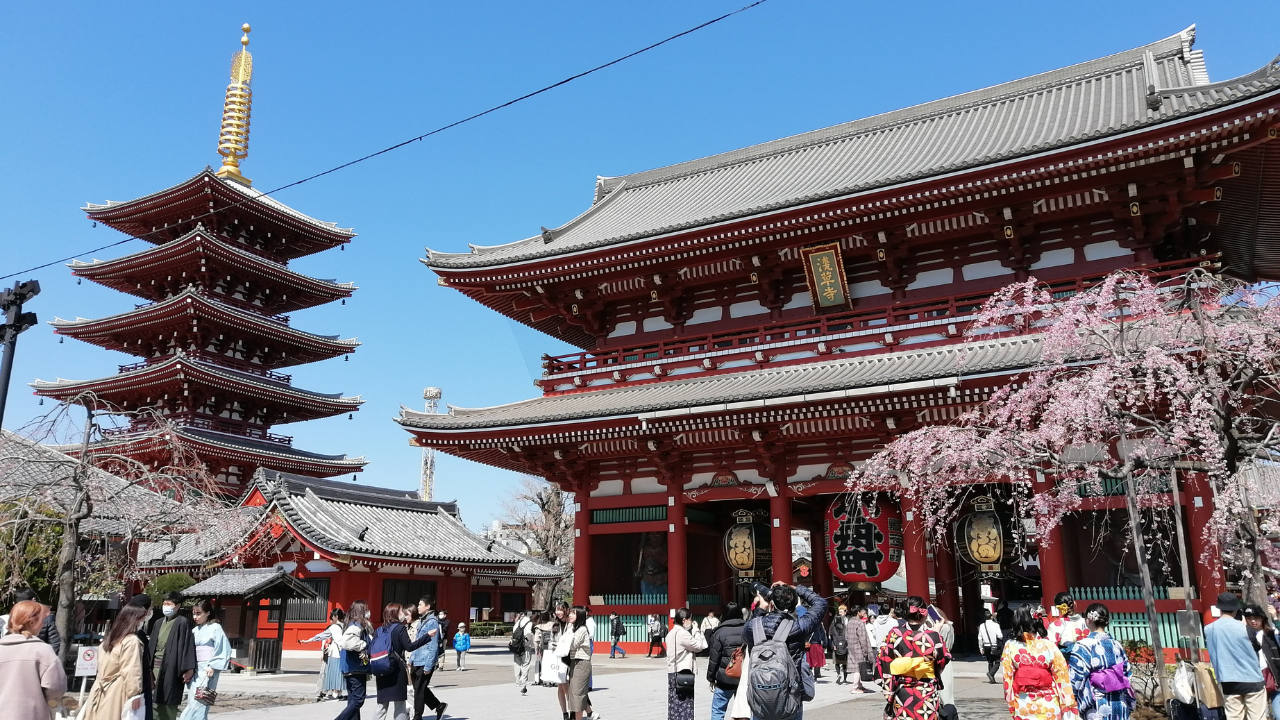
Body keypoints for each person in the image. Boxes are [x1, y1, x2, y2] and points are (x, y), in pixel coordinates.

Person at [743, 582, 829, 719]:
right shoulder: (799, 626)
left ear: (771, 603)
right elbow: (821, 603)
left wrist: (760, 609)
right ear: (794, 604)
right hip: (790, 695)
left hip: (760, 696)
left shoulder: (752, 627)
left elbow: (747, 631)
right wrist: (796, 588)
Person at [875, 596, 951, 720]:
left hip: (902, 692)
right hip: (926, 691)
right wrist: (936, 633)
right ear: (925, 614)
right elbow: (944, 658)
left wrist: (890, 686)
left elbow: (882, 660)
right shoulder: (933, 636)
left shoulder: (894, 634)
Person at [1000, 604, 1079, 720]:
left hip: (1023, 702)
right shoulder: (1049, 645)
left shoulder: (1010, 645)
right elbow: (1062, 677)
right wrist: (1067, 705)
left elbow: (1007, 680)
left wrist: (1012, 705)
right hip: (1049, 704)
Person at [0, 600, 67, 720]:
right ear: (32, 622)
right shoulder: (43, 651)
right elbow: (56, 688)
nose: (43, 625)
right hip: (32, 714)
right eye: (42, 620)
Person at [1205, 591, 1268, 720]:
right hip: (1252, 678)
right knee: (1257, 717)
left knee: (1233, 716)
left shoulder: (1208, 629)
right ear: (1236, 609)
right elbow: (1256, 648)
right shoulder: (1245, 628)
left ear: (1219, 609)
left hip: (1227, 678)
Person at [81, 603, 148, 720]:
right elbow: (131, 669)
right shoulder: (131, 641)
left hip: (100, 688)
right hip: (117, 690)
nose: (142, 622)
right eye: (141, 619)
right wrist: (135, 694)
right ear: (134, 620)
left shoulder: (109, 639)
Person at [1067, 603, 1133, 720]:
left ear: (1089, 620)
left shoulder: (1083, 646)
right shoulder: (1117, 644)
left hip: (1096, 703)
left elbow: (1076, 679)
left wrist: (1072, 699)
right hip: (1119, 702)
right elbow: (1127, 674)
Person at [371, 603, 435, 720]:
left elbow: (371, 649)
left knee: (382, 705)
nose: (403, 615)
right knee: (400, 703)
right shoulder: (400, 628)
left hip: (381, 670)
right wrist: (427, 636)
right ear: (395, 613)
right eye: (401, 612)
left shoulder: (379, 630)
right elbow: (409, 646)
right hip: (397, 670)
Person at [177, 599, 230, 720]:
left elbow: (222, 647)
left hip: (207, 668)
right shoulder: (195, 630)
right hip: (195, 667)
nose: (195, 617)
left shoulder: (215, 628)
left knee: (200, 700)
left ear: (207, 613)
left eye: (199, 613)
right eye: (194, 614)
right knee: (193, 699)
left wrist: (213, 665)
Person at [149, 592, 196, 720]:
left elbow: (187, 646)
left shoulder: (182, 622)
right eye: (164, 603)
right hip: (155, 668)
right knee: (153, 701)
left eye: (169, 604)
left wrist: (189, 668)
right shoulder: (158, 622)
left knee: (169, 701)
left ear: (177, 606)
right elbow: (151, 647)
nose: (165, 606)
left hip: (172, 667)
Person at [407, 597, 446, 720]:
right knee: (420, 688)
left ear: (428, 606)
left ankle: (417, 716)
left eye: (420, 604)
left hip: (425, 660)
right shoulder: (422, 620)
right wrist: (411, 658)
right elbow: (418, 642)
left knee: (419, 690)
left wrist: (429, 665)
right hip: (417, 659)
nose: (418, 607)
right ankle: (438, 706)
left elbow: (433, 645)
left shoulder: (432, 622)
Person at [335, 600, 374, 720]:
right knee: (358, 699)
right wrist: (363, 645)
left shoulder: (351, 624)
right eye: (365, 609)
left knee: (353, 700)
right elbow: (346, 642)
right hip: (355, 667)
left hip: (349, 666)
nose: (368, 611)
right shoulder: (356, 625)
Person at [666, 607, 707, 720]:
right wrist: (696, 630)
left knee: (674, 703)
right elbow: (699, 646)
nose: (691, 621)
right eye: (690, 619)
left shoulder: (670, 634)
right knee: (685, 703)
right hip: (683, 671)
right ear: (684, 620)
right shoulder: (683, 634)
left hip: (672, 671)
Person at [706, 602, 745, 720]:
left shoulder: (719, 632)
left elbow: (714, 658)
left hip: (725, 678)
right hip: (743, 677)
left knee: (718, 710)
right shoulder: (747, 629)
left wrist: (711, 678)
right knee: (744, 712)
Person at [303, 608, 348, 702]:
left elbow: (322, 635)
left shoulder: (334, 627)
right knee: (340, 674)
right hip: (344, 653)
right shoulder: (345, 626)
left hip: (335, 653)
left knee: (334, 673)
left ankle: (335, 694)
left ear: (336, 616)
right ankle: (339, 694)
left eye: (332, 616)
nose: (331, 619)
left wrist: (309, 640)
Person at [1244, 604, 1280, 720]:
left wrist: (1275, 617)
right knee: (1260, 715)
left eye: (1256, 618)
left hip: (1274, 677)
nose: (1253, 621)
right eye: (1249, 618)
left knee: (1279, 714)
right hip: (1256, 678)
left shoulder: (1271, 633)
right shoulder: (1244, 636)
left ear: (1262, 618)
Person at [125, 594, 157, 720]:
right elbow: (135, 665)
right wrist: (135, 693)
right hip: (138, 685)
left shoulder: (119, 632)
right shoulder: (136, 637)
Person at [564, 607, 597, 720]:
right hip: (574, 662)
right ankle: (585, 714)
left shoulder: (582, 629)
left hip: (582, 663)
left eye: (573, 613)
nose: (570, 615)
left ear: (580, 616)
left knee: (577, 694)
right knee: (574, 693)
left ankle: (582, 716)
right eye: (570, 613)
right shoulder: (575, 628)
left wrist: (569, 629)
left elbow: (573, 644)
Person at [10, 590, 60, 656]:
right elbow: (54, 643)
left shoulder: (8, 619)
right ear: (33, 600)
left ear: (14, 604)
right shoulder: (46, 618)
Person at [846, 605, 875, 695]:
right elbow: (862, 638)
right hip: (858, 647)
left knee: (855, 666)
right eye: (862, 612)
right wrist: (865, 650)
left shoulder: (850, 622)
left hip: (851, 646)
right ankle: (855, 687)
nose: (864, 613)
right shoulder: (859, 623)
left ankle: (859, 685)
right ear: (858, 612)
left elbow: (846, 635)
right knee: (858, 668)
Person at [512, 610, 537, 695]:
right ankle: (524, 681)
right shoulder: (529, 623)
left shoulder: (518, 622)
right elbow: (529, 633)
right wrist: (527, 641)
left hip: (516, 646)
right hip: (526, 646)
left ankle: (517, 681)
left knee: (517, 663)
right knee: (525, 663)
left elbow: (513, 632)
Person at [978, 608, 1004, 684]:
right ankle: (991, 673)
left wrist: (981, 648)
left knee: (990, 662)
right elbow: (1000, 636)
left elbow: (980, 638)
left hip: (986, 645)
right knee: (997, 662)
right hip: (995, 645)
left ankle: (991, 678)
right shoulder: (996, 625)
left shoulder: (982, 626)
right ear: (991, 617)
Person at [827, 604, 850, 685]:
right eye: (839, 612)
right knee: (840, 660)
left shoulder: (844, 620)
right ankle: (840, 675)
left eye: (841, 612)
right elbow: (831, 630)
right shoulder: (837, 620)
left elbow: (830, 631)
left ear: (845, 612)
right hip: (840, 642)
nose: (840, 613)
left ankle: (842, 676)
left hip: (840, 642)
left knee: (842, 661)